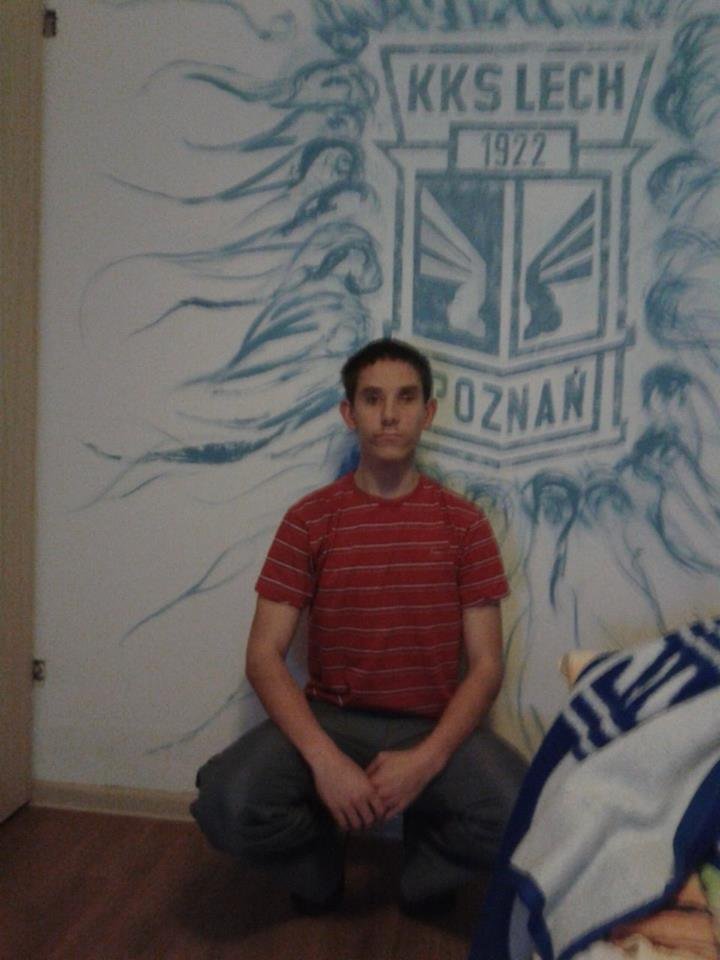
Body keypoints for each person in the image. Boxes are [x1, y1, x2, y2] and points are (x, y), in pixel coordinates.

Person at [190, 337, 527, 914]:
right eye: (372, 399)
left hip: (431, 722)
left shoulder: (466, 525)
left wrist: (426, 761)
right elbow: (263, 656)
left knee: (525, 812)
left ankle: (424, 876)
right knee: (227, 801)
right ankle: (319, 868)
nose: (389, 414)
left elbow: (487, 665)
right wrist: (325, 761)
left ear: (428, 412)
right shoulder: (309, 519)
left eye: (405, 398)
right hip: (333, 719)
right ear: (349, 413)